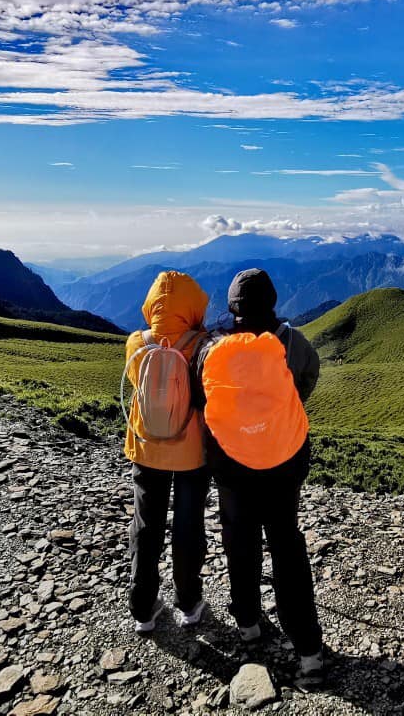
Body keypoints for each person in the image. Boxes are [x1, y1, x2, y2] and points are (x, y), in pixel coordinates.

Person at [193, 267, 325, 679]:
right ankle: (309, 652)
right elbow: (307, 380)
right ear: (272, 300)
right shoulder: (291, 341)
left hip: (231, 463)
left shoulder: (210, 348)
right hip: (285, 457)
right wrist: (276, 413)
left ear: (232, 306)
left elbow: (202, 398)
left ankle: (248, 625)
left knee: (239, 537)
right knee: (286, 542)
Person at [122, 270, 212, 634]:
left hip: (146, 448)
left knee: (146, 524)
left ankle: (143, 607)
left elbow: (137, 385)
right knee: (188, 525)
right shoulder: (203, 345)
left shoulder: (136, 344)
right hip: (192, 452)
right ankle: (189, 602)